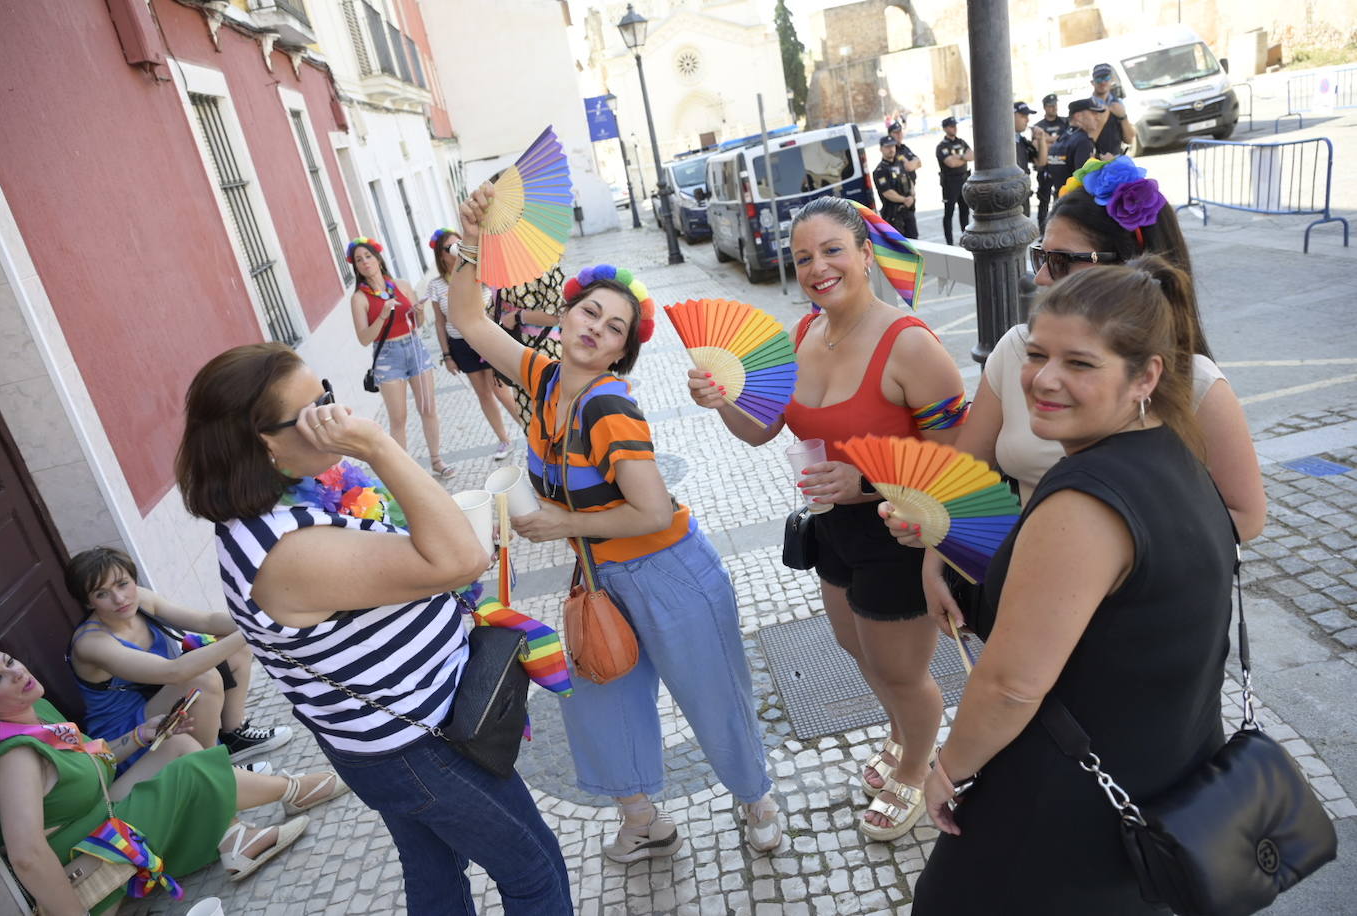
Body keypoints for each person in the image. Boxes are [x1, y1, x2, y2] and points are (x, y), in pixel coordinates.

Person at [448, 185, 784, 862]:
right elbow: (471, 323)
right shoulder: (542, 378)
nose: (595, 328)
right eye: (589, 312)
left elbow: (653, 509)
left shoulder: (609, 407)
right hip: (601, 580)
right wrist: (471, 243)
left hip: (670, 575)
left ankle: (757, 799)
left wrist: (560, 522)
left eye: (612, 328)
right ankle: (644, 821)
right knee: (595, 706)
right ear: (566, 315)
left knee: (714, 699)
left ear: (618, 353)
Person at [176, 344, 570, 914]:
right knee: (535, 870)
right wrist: (379, 443)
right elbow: (460, 559)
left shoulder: (300, 494)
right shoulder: (286, 549)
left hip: (397, 736)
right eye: (314, 413)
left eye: (329, 398)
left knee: (434, 869)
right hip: (416, 745)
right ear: (263, 441)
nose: (338, 420)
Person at [909, 256, 1237, 913]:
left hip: (1069, 804)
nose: (1044, 380)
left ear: (1145, 375)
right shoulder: (1174, 452)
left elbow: (1011, 683)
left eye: (1080, 364)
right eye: (1036, 354)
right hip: (1163, 772)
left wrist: (947, 770)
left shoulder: (1085, 505)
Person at [689, 196, 968, 843]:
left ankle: (916, 764)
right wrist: (722, 397)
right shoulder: (801, 335)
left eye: (832, 250)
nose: (818, 267)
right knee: (856, 648)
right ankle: (903, 736)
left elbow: (957, 456)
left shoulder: (909, 344)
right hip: (832, 529)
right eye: (804, 257)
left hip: (897, 534)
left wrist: (867, 483)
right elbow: (762, 430)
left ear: (866, 255)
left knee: (901, 670)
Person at [910, 156, 1266, 630]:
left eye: (1059, 262)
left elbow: (1245, 514)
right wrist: (937, 554)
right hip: (1022, 593)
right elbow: (966, 475)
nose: (1038, 278)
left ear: (1123, 271)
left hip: (1135, 617)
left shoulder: (1196, 383)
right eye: (1041, 256)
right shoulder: (1014, 353)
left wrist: (1119, 564)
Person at [0, 645, 348, 914]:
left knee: (177, 745)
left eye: (10, 661)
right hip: (88, 857)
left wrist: (141, 735)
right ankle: (292, 791)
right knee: (189, 773)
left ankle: (236, 835)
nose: (17, 673)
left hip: (100, 815)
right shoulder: (13, 757)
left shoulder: (31, 711)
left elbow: (88, 762)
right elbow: (28, 856)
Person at [66, 547, 292, 772]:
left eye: (122, 583)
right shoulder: (92, 643)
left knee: (229, 648)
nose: (119, 598)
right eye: (101, 594)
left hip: (161, 698)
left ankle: (233, 736)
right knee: (202, 678)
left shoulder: (140, 601)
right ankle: (217, 770)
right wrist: (249, 632)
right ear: (88, 603)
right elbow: (174, 672)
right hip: (128, 730)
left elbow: (206, 622)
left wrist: (258, 620)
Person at [347, 238, 449, 477]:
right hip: (387, 356)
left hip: (414, 348)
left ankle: (437, 460)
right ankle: (406, 473)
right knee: (398, 418)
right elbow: (364, 338)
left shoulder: (401, 285)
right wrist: (382, 316)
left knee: (428, 407)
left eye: (368, 256)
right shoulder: (359, 299)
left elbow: (418, 324)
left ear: (379, 259)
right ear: (356, 267)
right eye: (359, 260)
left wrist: (420, 314)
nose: (365, 263)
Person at [420, 228, 522, 461]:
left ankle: (530, 431)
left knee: (500, 389)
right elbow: (439, 322)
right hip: (460, 344)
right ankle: (504, 439)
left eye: (460, 245)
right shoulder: (436, 285)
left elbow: (499, 299)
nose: (457, 251)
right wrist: (447, 355)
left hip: (486, 338)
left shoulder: (480, 271)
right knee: (484, 394)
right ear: (441, 255)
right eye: (450, 248)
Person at [495, 265, 565, 429]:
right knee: (530, 417)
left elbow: (555, 316)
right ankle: (538, 453)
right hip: (517, 350)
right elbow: (493, 310)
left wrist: (519, 316)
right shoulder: (501, 271)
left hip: (546, 350)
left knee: (554, 411)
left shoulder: (546, 266)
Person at [1046, 97, 1106, 195]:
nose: (1098, 117)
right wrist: (1106, 165)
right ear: (1078, 116)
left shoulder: (1062, 137)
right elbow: (1086, 180)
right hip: (1076, 203)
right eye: (1093, 113)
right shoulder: (1083, 141)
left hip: (1061, 201)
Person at [935, 117, 973, 245]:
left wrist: (959, 157)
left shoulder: (961, 142)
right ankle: (949, 242)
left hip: (964, 179)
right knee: (949, 212)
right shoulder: (942, 146)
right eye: (951, 126)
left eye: (955, 125)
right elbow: (950, 163)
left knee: (965, 211)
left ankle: (965, 238)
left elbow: (972, 155)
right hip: (950, 183)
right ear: (945, 129)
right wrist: (964, 158)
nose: (954, 128)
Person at [873, 135, 918, 239]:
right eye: (887, 147)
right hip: (893, 214)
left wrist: (911, 195)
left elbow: (909, 180)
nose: (891, 149)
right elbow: (887, 192)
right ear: (881, 149)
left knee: (915, 242)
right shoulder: (880, 171)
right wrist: (904, 199)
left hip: (908, 210)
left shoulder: (901, 163)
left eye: (892, 146)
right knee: (899, 245)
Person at [1033, 94, 1067, 229]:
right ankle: (1043, 231)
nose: (1054, 108)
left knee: (1061, 200)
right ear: (1044, 107)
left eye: (1055, 105)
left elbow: (1067, 142)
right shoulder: (1038, 126)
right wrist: (1056, 140)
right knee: (1044, 200)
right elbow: (1036, 144)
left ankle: (1059, 229)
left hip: (1061, 167)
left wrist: (1047, 140)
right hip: (1045, 168)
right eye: (1050, 105)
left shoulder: (1065, 122)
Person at [1091, 62, 1137, 157]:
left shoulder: (1119, 103)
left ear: (1111, 80)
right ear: (1092, 82)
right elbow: (1086, 141)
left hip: (1117, 157)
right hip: (1096, 161)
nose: (1103, 82)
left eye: (1106, 78)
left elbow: (1129, 139)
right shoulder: (1087, 106)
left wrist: (1123, 117)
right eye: (1099, 79)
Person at [1013, 102, 1049, 218]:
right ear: (1010, 116)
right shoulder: (1001, 141)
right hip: (1010, 196)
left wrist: (1041, 140)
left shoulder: (1021, 140)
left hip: (1023, 195)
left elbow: (1041, 162)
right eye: (1023, 116)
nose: (1027, 120)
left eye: (1027, 116)